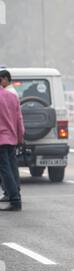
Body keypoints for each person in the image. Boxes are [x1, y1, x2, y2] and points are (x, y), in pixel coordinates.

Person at [0, 69, 24, 211]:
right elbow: (19, 119)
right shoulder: (12, 96)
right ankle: (17, 195)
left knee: (5, 170)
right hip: (12, 138)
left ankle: (14, 200)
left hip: (1, 140)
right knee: (12, 168)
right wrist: (20, 137)